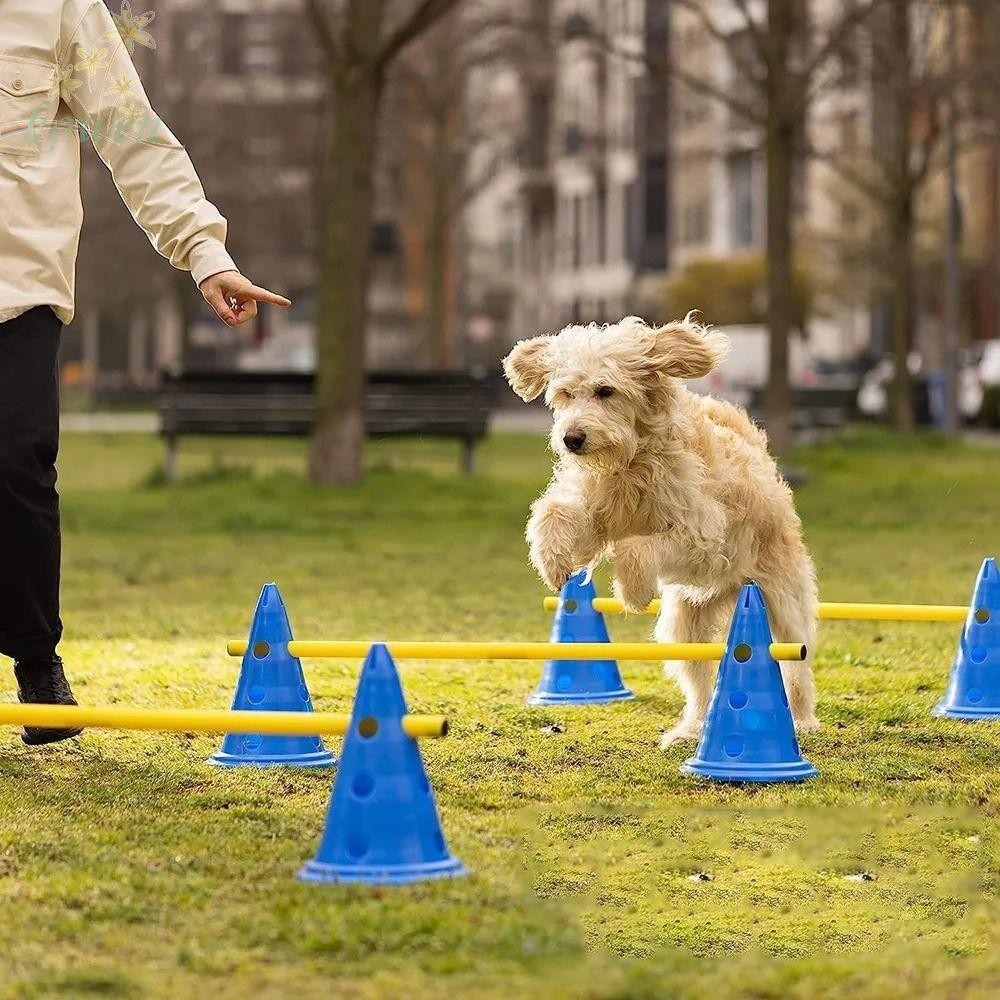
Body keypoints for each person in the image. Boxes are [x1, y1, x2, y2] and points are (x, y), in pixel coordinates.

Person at [0, 0, 291, 744]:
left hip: (17, 289)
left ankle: (37, 660)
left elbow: (131, 132)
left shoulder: (58, 8)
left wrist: (204, 252)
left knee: (19, 463)